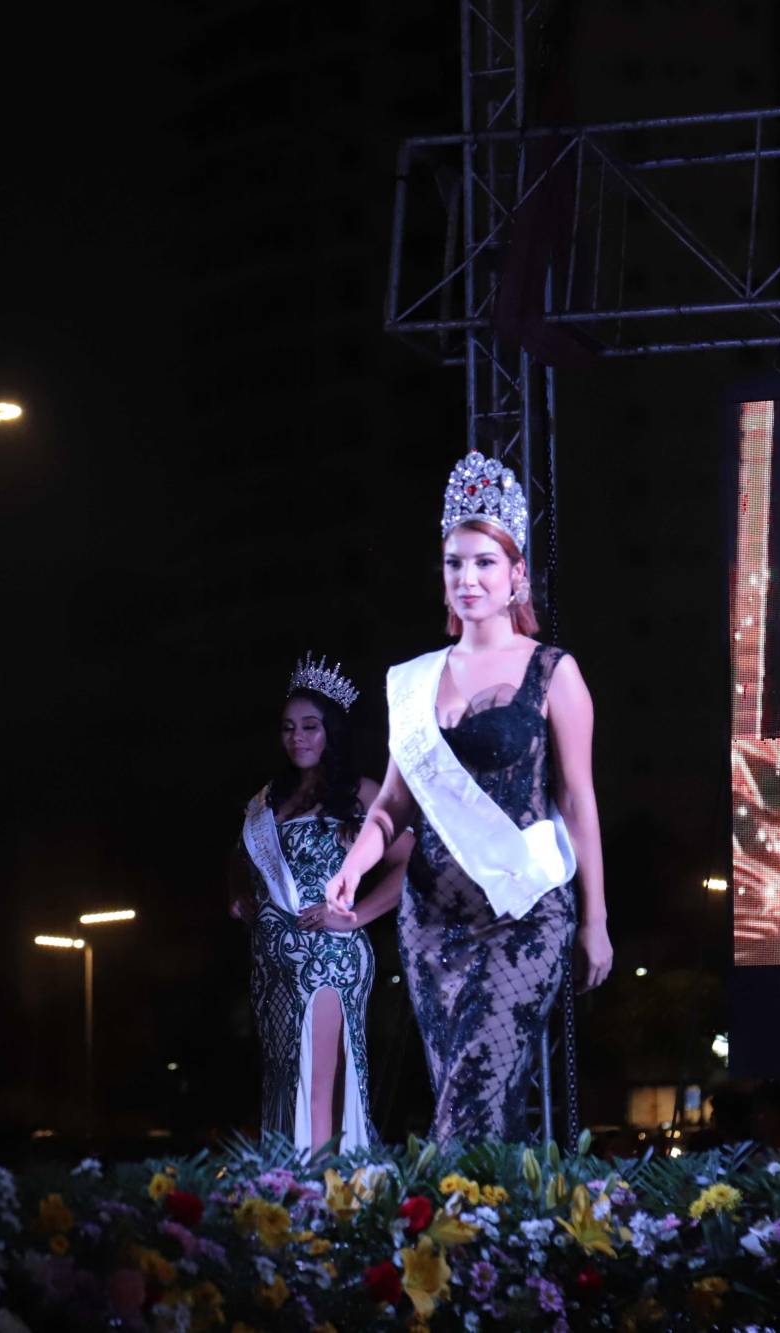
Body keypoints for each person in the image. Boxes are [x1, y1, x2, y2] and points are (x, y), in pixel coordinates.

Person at [326, 452, 612, 1143]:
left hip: (523, 916)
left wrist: (594, 921)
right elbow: (393, 804)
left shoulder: (553, 672)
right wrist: (355, 866)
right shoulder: (417, 681)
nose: (468, 578)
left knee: (473, 1104)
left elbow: (579, 801)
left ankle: (445, 1240)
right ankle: (501, 1239)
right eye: (455, 563)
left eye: (485, 562)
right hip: (430, 924)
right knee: (468, 1101)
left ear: (516, 574)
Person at [230, 655, 409, 1154]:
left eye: (310, 726)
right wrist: (239, 896)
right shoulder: (268, 800)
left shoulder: (360, 794)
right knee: (282, 1082)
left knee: (317, 1079)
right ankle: (285, 1193)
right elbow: (241, 861)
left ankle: (322, 1197)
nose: (297, 738)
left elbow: (409, 864)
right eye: (288, 728)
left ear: (332, 731)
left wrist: (353, 917)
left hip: (329, 958)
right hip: (272, 964)